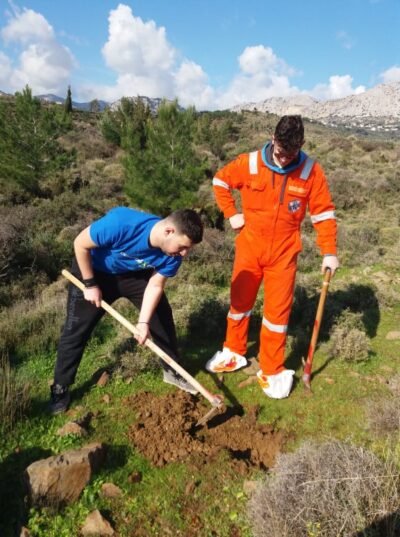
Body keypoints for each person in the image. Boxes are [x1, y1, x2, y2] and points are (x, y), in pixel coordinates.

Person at [206, 115, 339, 399]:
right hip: (250, 247)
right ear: (273, 138)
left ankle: (271, 367)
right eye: (279, 151)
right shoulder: (249, 163)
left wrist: (329, 251)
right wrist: (232, 214)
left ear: (301, 144)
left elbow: (323, 213)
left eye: (289, 153)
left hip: (284, 252)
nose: (282, 159)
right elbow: (220, 182)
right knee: (239, 304)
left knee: (277, 315)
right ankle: (234, 351)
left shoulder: (311, 171)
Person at [50, 207, 203, 415]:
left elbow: (155, 286)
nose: (184, 253)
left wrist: (143, 322)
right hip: (94, 271)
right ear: (169, 231)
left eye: (188, 249)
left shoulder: (172, 255)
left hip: (134, 276)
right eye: (183, 246)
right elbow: (80, 243)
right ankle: (60, 387)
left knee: (161, 317)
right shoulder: (121, 223)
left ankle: (173, 371)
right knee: (76, 329)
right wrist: (90, 284)